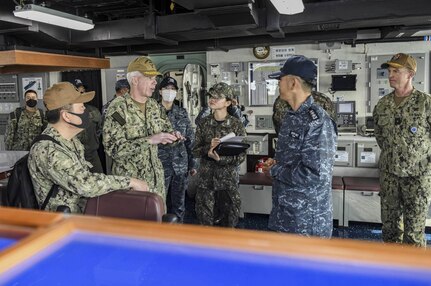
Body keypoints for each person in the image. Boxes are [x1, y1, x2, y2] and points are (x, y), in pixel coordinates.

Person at [27, 82, 149, 213]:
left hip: (82, 216)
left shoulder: (71, 141)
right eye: (81, 107)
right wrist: (130, 182)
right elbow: (85, 184)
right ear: (66, 115)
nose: (86, 111)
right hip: (62, 226)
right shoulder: (48, 150)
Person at [265, 55, 337, 237]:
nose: (278, 85)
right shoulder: (291, 116)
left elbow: (315, 175)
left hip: (306, 221)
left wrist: (276, 171)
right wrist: (276, 164)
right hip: (286, 213)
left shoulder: (317, 122)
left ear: (293, 83)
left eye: (280, 80)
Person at [103, 56, 182, 201]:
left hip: (156, 182)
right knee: (136, 223)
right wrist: (150, 140)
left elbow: (166, 130)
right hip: (132, 184)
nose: (154, 82)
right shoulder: (118, 108)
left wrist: (173, 136)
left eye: (155, 78)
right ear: (135, 80)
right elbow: (113, 149)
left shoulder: (154, 106)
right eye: (149, 78)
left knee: (157, 221)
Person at [373, 53, 431, 247]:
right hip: (389, 176)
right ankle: (391, 272)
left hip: (418, 177)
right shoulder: (383, 105)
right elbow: (380, 137)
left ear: (411, 74)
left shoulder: (426, 103)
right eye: (389, 71)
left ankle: (413, 275)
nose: (390, 75)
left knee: (413, 233)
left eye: (396, 71)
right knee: (390, 230)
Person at [192, 82, 246, 227]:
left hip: (227, 182)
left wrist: (221, 159)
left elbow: (241, 156)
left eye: (218, 97)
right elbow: (195, 150)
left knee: (229, 224)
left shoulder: (236, 125)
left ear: (228, 102)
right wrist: (208, 149)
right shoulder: (203, 123)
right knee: (205, 224)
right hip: (206, 182)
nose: (212, 99)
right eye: (211, 95)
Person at [158, 76, 197, 222]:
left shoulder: (182, 113)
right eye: (166, 89)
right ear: (160, 92)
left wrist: (193, 164)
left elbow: (190, 140)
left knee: (179, 204)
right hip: (159, 165)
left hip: (180, 165)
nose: (169, 92)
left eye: (173, 89)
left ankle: (178, 233)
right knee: (159, 203)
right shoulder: (151, 112)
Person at [73, 79, 103, 173]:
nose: (81, 93)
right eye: (78, 91)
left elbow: (99, 130)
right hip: (75, 157)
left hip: (92, 155)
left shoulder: (93, 111)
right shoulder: (66, 113)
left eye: (83, 91)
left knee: (100, 183)